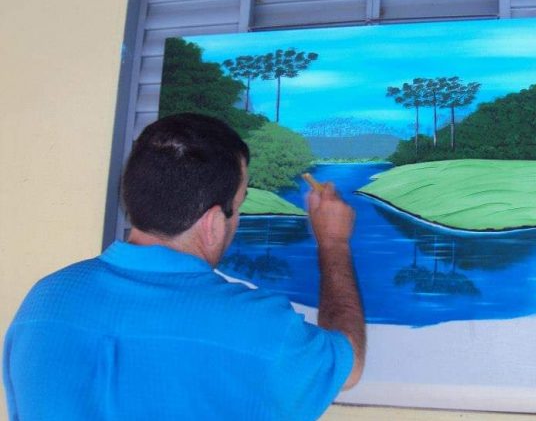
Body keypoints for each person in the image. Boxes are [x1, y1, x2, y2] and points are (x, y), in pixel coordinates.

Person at [3, 113, 366, 420]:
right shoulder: (261, 328)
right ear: (213, 222)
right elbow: (350, 362)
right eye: (239, 205)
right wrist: (334, 242)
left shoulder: (43, 303)